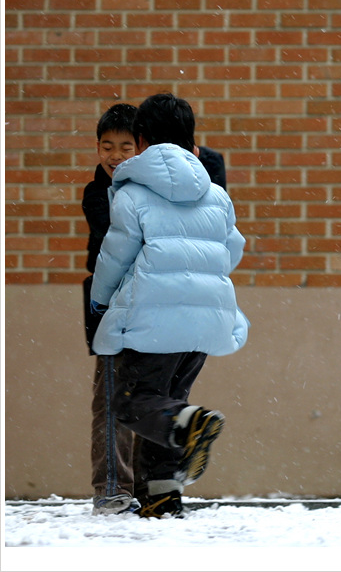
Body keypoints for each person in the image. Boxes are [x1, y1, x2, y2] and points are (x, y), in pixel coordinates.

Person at [90, 93, 249, 518]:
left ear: (141, 141)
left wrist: (100, 299)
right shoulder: (217, 194)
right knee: (170, 398)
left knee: (133, 401)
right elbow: (231, 251)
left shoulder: (132, 191)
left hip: (153, 320)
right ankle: (162, 494)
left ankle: (191, 424)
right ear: (191, 142)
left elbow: (116, 255)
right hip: (206, 321)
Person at [82, 103, 141, 515]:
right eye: (107, 146)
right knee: (113, 399)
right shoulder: (96, 192)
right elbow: (112, 246)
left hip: (142, 300)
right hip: (107, 301)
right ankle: (114, 488)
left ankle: (137, 487)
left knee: (141, 397)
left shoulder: (147, 189)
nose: (115, 156)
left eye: (125, 146)